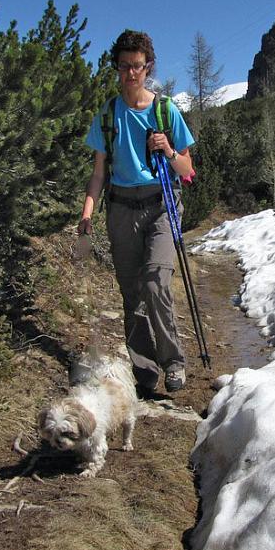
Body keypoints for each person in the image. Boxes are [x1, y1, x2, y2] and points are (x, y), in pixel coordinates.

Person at [78, 30, 196, 396]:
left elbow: (187, 168)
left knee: (155, 282)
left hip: (161, 203)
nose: (131, 73)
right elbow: (99, 173)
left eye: (138, 66)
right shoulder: (108, 114)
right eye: (125, 66)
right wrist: (86, 214)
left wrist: (169, 150)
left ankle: (173, 363)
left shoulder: (166, 110)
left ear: (149, 67)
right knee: (132, 293)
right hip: (120, 207)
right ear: (117, 67)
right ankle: (144, 371)